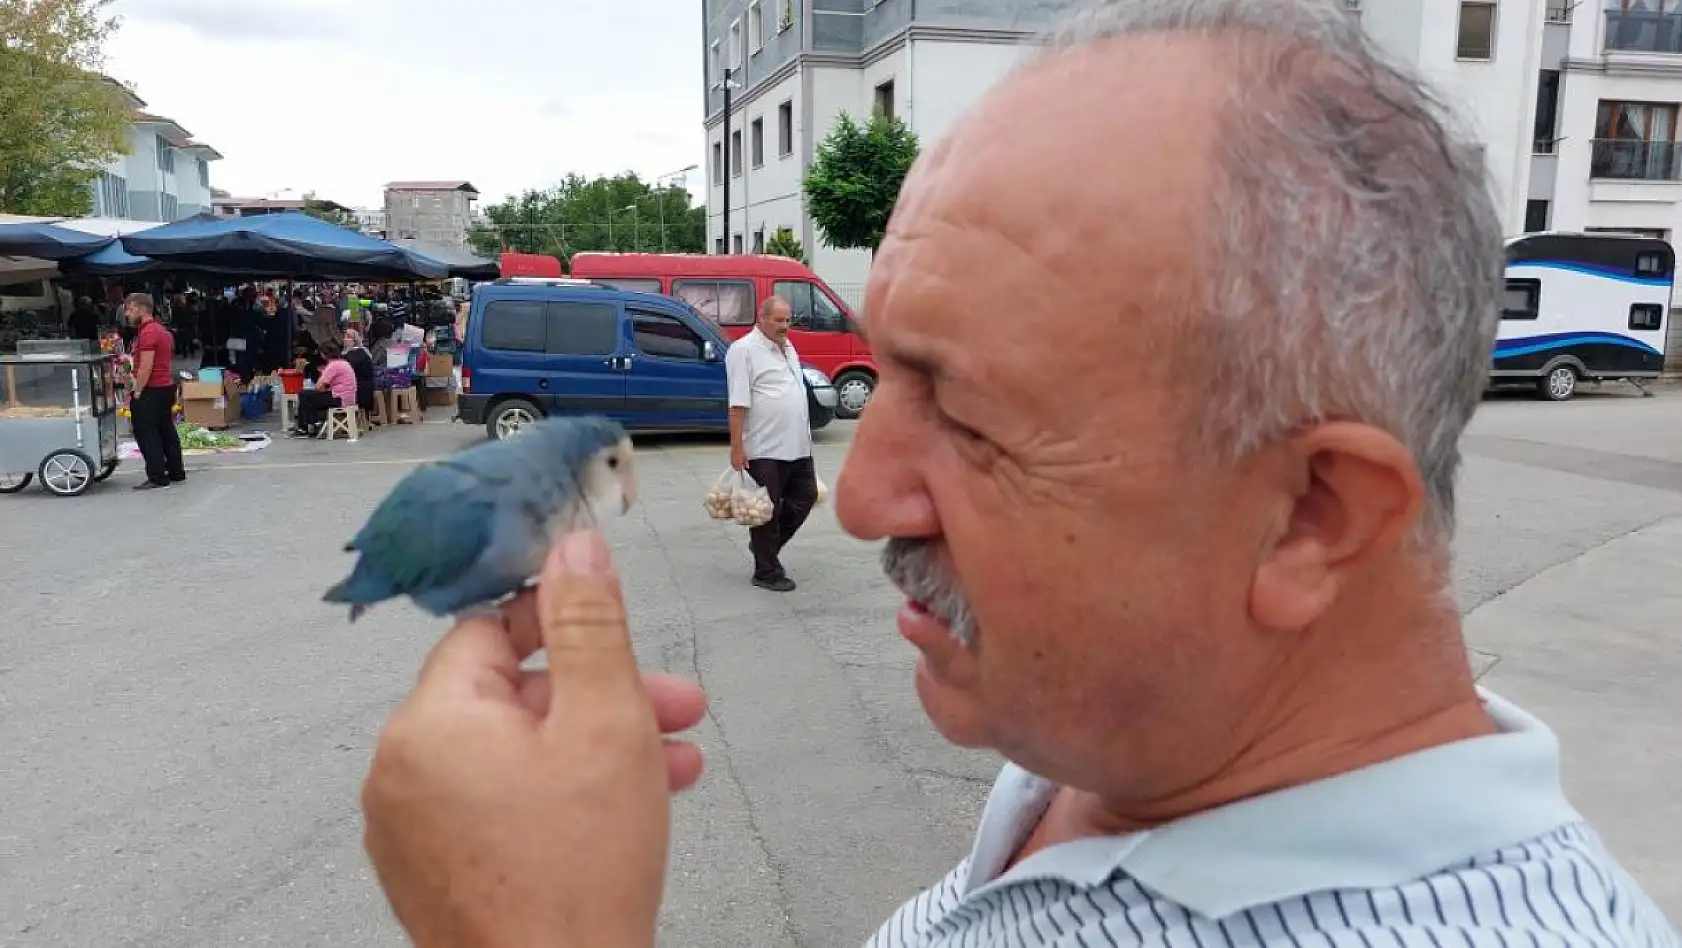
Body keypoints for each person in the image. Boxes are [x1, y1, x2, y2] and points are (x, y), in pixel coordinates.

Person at [354, 1, 1680, 946]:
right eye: (893, 377)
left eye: (976, 420)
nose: (862, 496)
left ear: (1312, 516)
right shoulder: (1121, 734)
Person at [725, 296, 818, 592]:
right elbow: (737, 403)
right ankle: (765, 571)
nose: (785, 326)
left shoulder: (788, 347)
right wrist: (737, 447)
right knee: (766, 511)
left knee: (806, 495)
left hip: (798, 444)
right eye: (779, 320)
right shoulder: (743, 351)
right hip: (764, 446)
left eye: (788, 320)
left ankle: (767, 548)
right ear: (761, 319)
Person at [124, 293, 185, 491]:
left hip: (152, 389)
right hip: (165, 387)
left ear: (142, 309)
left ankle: (158, 476)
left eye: (130, 309)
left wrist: (138, 391)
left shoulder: (149, 332)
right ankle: (176, 471)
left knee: (146, 433)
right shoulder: (162, 330)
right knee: (166, 429)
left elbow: (146, 367)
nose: (127, 313)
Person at [293, 341, 354, 437]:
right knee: (307, 396)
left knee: (303, 394)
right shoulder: (344, 363)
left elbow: (318, 387)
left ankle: (312, 422)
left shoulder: (332, 366)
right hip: (348, 397)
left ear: (323, 354)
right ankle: (306, 425)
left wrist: (322, 386)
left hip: (339, 398)